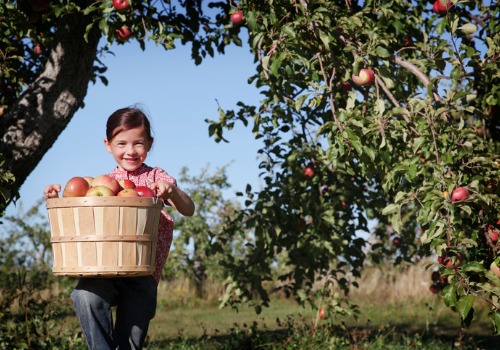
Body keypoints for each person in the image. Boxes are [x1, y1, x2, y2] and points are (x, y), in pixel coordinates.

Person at [43, 106, 195, 349]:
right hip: (105, 270)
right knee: (85, 296)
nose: (130, 151)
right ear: (108, 145)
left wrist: (172, 191)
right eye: (121, 143)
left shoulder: (156, 179)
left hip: (142, 273)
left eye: (138, 143)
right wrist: (58, 198)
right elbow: (86, 219)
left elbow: (189, 209)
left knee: (129, 343)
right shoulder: (105, 183)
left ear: (150, 144)